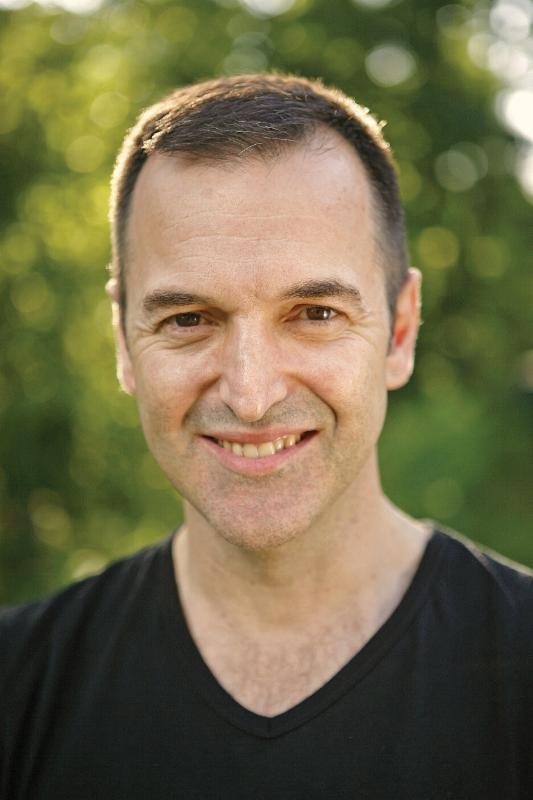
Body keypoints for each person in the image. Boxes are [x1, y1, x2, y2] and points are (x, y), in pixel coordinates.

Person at [1, 73, 532, 799]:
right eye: (188, 320)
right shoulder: (19, 687)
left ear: (399, 331)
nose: (251, 396)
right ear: (124, 342)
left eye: (313, 313)